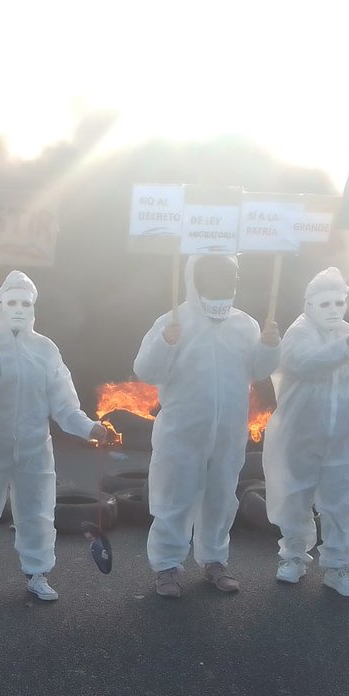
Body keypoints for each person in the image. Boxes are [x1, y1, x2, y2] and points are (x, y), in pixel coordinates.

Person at [0, 270, 109, 602]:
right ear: (0, 304)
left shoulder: (46, 349)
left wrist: (88, 427)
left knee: (37, 512)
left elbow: (63, 403)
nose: (18, 308)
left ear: (33, 306)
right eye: (11, 301)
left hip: (34, 446)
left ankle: (38, 573)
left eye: (24, 302)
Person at [133, 254, 281, 597]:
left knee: (221, 497)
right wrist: (166, 342)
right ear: (195, 278)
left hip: (228, 431)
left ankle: (215, 560)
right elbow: (146, 370)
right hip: (182, 429)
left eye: (233, 276)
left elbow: (258, 370)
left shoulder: (245, 324)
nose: (228, 283)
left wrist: (270, 347)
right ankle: (167, 566)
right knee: (174, 496)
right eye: (217, 275)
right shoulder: (173, 321)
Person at [263, 267, 349, 598]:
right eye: (325, 303)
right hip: (299, 436)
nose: (333, 309)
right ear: (309, 304)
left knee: (338, 504)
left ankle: (337, 566)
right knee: (295, 498)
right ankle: (292, 557)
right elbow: (302, 364)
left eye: (338, 302)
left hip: (343, 440)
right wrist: (344, 348)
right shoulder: (298, 333)